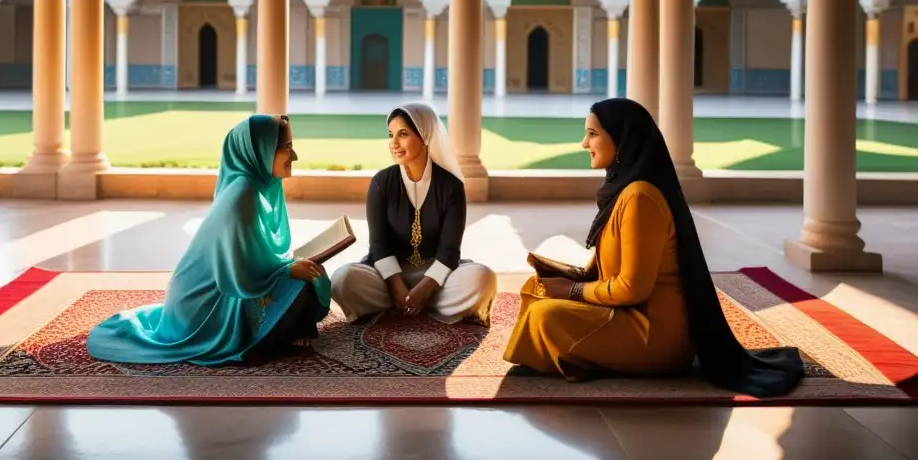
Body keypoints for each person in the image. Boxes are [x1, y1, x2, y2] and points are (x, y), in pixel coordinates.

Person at [504, 98, 803, 397]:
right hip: (627, 312)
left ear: (621, 139)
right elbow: (606, 270)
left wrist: (570, 291)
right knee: (537, 289)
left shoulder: (639, 198)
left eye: (593, 134)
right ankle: (579, 356)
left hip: (653, 333)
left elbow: (633, 289)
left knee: (545, 315)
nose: (585, 143)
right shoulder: (623, 191)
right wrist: (564, 276)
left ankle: (584, 357)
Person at [87, 114, 331, 366]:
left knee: (308, 278)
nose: (294, 157)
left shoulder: (261, 185)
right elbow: (239, 277)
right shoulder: (242, 194)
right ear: (262, 149)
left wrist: (288, 269)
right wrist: (287, 271)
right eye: (287, 148)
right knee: (301, 285)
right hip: (202, 311)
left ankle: (280, 335)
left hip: (228, 290)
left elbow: (256, 257)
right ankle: (258, 345)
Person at [331, 102, 497, 325]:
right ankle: (403, 301)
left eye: (403, 134)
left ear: (425, 136)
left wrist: (426, 288)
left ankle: (416, 303)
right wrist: (397, 286)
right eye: (390, 135)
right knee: (343, 279)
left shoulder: (451, 186)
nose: (394, 144)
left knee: (483, 278)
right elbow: (379, 245)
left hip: (437, 277)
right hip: (388, 278)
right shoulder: (382, 183)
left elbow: (449, 250)